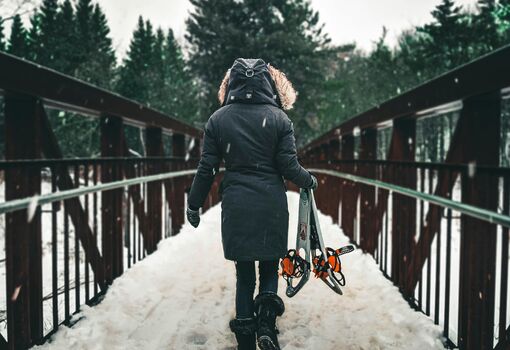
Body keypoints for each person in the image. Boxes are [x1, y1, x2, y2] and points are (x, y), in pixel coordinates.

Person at [186, 58, 317, 350]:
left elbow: (206, 168)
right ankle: (267, 327)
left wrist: (193, 204)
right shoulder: (279, 119)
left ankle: (245, 337)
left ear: (232, 83)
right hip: (271, 202)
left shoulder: (218, 120)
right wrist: (307, 180)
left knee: (244, 273)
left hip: (237, 205)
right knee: (270, 267)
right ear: (267, 83)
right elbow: (288, 165)